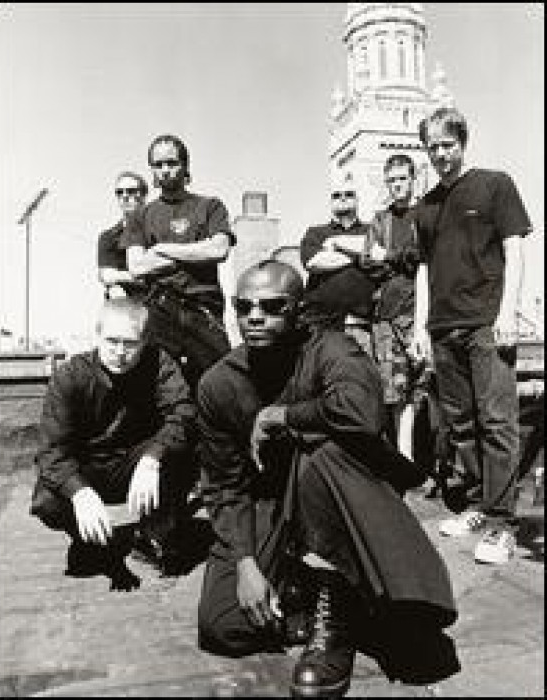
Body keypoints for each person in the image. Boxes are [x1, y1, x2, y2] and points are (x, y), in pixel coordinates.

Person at [196, 260, 459, 697]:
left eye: (272, 306)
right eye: (244, 307)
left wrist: (283, 416)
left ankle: (335, 609)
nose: (255, 317)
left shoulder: (331, 350)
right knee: (224, 626)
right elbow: (225, 486)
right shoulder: (218, 384)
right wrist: (245, 563)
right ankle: (339, 605)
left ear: (298, 311)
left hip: (343, 493)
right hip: (272, 505)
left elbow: (361, 412)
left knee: (319, 452)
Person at [412, 106, 532, 565]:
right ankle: (479, 504)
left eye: (448, 145)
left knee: (497, 421)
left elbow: (514, 248)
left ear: (462, 143)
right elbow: (424, 269)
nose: (441, 154)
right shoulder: (425, 206)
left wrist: (508, 312)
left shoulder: (494, 184)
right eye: (433, 147)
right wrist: (421, 326)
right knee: (460, 424)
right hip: (443, 327)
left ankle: (503, 524)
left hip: (486, 323)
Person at [30, 297, 197, 588]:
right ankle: (89, 536)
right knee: (47, 501)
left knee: (183, 455)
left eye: (130, 343)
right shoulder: (70, 376)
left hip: (135, 464)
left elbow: (184, 413)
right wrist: (80, 493)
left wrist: (152, 458)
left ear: (144, 341)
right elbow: (52, 451)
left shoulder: (159, 363)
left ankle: (154, 535)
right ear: (97, 336)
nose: (120, 353)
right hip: (88, 467)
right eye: (111, 341)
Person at [120, 134, 235, 392]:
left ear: (185, 165)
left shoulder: (210, 206)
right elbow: (136, 266)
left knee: (221, 383)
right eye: (158, 164)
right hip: (160, 309)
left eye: (171, 163)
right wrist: (195, 252)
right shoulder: (140, 216)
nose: (165, 170)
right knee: (154, 387)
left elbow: (219, 249)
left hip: (203, 309)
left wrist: (163, 250)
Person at [370, 154, 421, 459]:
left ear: (413, 179)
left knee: (427, 387)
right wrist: (403, 258)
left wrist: (389, 256)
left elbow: (421, 256)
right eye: (391, 180)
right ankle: (404, 459)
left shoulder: (425, 213)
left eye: (402, 179)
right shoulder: (381, 220)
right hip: (387, 315)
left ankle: (435, 461)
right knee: (394, 393)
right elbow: (368, 261)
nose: (397, 185)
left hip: (420, 311)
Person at [299, 184, 377, 355]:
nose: (342, 198)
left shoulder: (372, 230)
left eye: (349, 194)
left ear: (357, 200)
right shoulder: (316, 233)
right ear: (330, 201)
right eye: (336, 195)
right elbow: (314, 262)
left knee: (361, 371)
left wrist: (337, 247)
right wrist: (359, 254)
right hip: (320, 325)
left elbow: (378, 254)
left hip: (362, 325)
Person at [97, 171, 149, 299]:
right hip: (125, 300)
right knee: (115, 291)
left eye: (131, 191)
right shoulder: (109, 236)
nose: (125, 196)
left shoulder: (157, 229)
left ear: (144, 195)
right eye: (119, 192)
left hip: (162, 299)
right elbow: (107, 275)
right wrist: (144, 275)